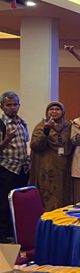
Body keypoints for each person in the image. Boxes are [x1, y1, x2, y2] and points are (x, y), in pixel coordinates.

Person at [30, 101, 73, 211]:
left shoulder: (68, 126)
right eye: (51, 109)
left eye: (57, 109)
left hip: (64, 169)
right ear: (47, 112)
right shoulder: (41, 126)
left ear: (63, 112)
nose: (54, 111)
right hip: (47, 169)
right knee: (48, 199)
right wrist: (46, 131)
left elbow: (72, 145)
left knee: (64, 198)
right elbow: (35, 145)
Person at [0, 92, 30, 241]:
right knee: (4, 204)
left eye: (15, 104)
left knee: (18, 204)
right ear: (2, 107)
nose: (12, 108)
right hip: (6, 169)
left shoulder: (21, 122)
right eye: (8, 105)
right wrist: (7, 139)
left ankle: (16, 233)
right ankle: (2, 235)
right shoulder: (1, 124)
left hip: (22, 169)